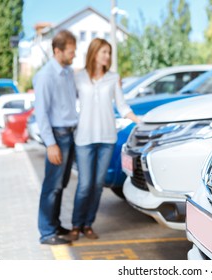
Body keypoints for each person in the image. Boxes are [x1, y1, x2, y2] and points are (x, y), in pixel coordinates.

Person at [69, 38, 140, 241]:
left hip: (107, 138)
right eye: (104, 52)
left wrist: (139, 120)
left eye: (109, 53)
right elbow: (68, 103)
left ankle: (88, 224)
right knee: (84, 184)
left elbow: (122, 106)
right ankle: (76, 224)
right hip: (84, 138)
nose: (107, 56)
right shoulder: (79, 77)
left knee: (98, 184)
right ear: (93, 53)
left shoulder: (113, 78)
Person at [34, 30, 78, 245]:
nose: (74, 56)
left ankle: (54, 224)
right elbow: (41, 113)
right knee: (51, 186)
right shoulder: (45, 76)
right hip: (58, 137)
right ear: (57, 50)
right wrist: (51, 144)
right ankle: (46, 232)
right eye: (71, 52)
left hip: (70, 135)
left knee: (60, 185)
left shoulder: (68, 72)